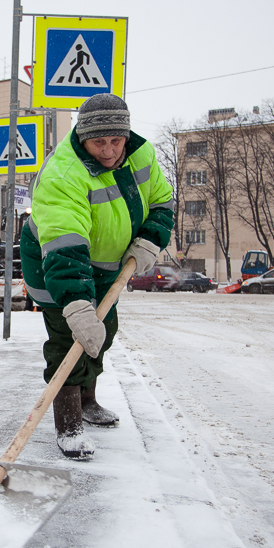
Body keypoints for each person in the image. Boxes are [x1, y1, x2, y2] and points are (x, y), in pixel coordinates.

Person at [20, 93, 174, 460]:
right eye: (98, 142)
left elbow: (162, 201)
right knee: (69, 338)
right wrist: (76, 306)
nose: (108, 151)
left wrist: (151, 240)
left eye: (115, 140)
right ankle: (68, 424)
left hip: (108, 265)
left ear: (127, 134)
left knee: (102, 334)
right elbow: (65, 246)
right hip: (54, 264)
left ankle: (87, 400)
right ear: (81, 136)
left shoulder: (142, 154)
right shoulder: (63, 174)